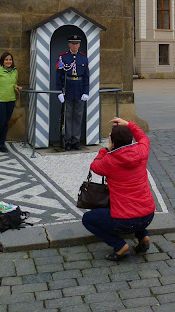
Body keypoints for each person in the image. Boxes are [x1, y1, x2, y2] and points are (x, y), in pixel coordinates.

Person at [82, 117, 155, 262]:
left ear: (113, 141)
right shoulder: (142, 151)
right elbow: (143, 137)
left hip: (124, 221)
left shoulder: (110, 160)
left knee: (87, 219)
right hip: (148, 215)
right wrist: (128, 124)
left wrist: (106, 149)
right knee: (136, 206)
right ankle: (143, 237)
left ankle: (120, 246)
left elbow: (94, 166)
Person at [56, 34, 89, 150]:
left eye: (77, 44)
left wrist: (86, 92)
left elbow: (86, 76)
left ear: (79, 44)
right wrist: (59, 91)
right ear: (69, 44)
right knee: (68, 115)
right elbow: (59, 75)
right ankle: (68, 140)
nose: (75, 45)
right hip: (68, 89)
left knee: (78, 116)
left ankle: (76, 140)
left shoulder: (83, 58)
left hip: (79, 90)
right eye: (72, 43)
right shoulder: (63, 58)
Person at [0, 52, 22, 152]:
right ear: (2, 61)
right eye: (6, 60)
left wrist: (16, 86)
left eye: (10, 59)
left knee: (6, 123)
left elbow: (13, 83)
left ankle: (2, 144)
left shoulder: (14, 71)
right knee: (1, 122)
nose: (8, 61)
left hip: (10, 100)